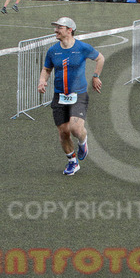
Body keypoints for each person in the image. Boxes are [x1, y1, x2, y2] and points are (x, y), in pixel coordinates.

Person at [37, 17, 105, 176]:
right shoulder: (53, 50)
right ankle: (72, 162)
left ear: (69, 30)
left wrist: (96, 76)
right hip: (59, 96)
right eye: (55, 27)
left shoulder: (82, 47)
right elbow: (47, 69)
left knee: (75, 129)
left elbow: (100, 58)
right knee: (63, 132)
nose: (55, 30)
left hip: (78, 94)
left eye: (59, 28)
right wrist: (42, 81)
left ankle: (83, 141)